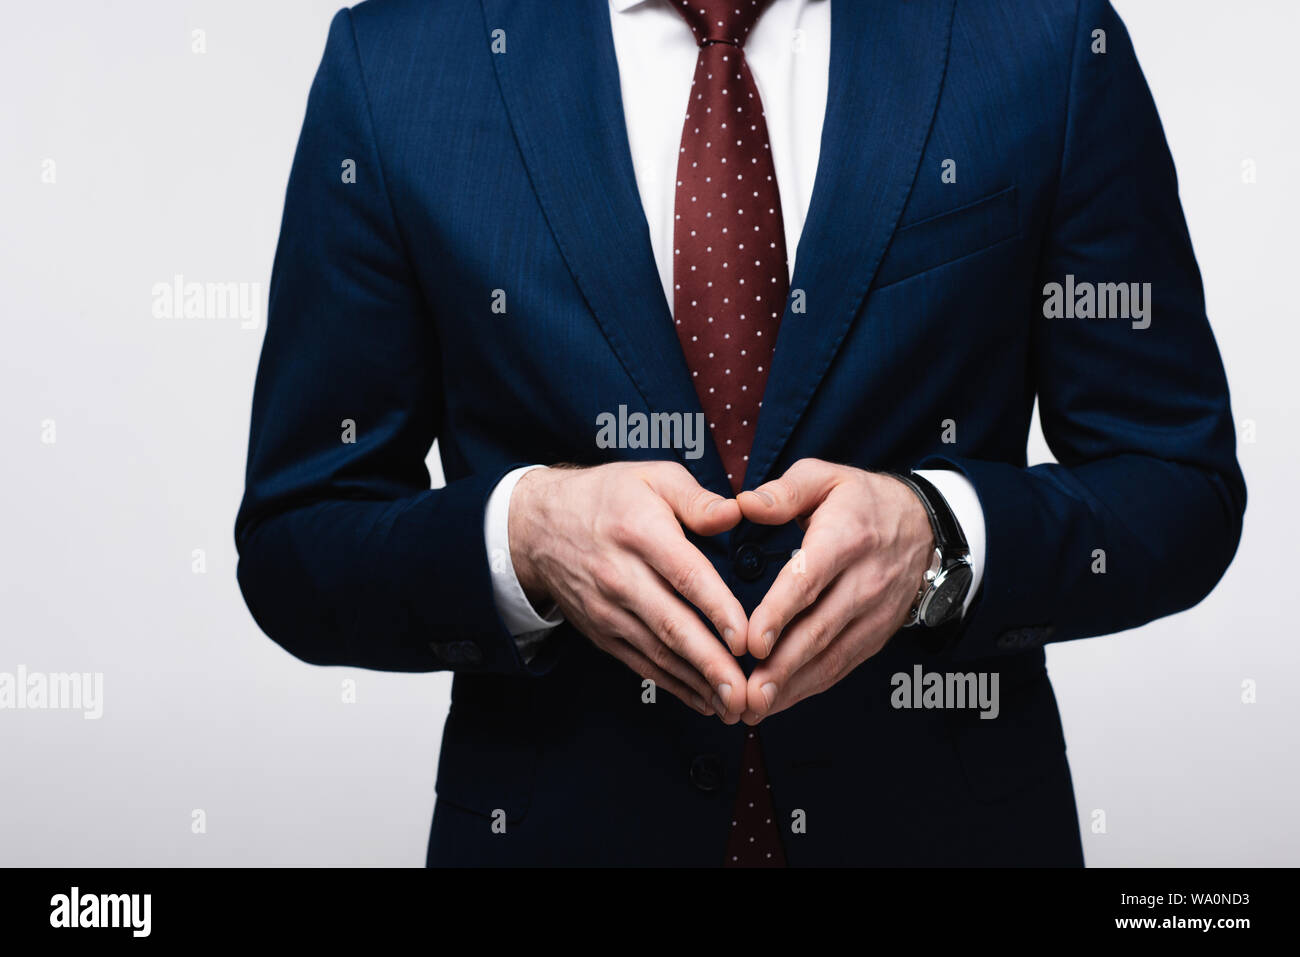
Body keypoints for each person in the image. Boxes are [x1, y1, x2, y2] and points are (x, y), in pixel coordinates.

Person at [235, 0, 1245, 866]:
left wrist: (942, 539)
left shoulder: (1044, 37)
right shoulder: (398, 64)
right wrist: (526, 537)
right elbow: (298, 540)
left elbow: (1176, 482)